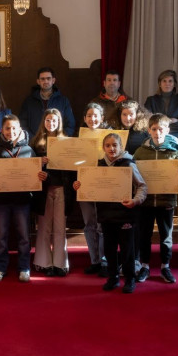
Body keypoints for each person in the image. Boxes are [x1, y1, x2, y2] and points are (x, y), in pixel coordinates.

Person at [73, 134, 147, 293]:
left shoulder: (128, 163)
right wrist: (79, 186)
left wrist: (135, 201)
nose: (111, 148)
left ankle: (129, 279)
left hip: (126, 214)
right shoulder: (98, 166)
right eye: (108, 145)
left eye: (114, 145)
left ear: (121, 146)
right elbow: (89, 187)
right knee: (109, 249)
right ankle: (113, 278)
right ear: (103, 148)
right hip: (106, 215)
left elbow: (142, 186)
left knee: (127, 250)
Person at [0, 114, 46, 282]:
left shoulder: (29, 151)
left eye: (14, 128)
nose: (11, 131)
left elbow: (34, 176)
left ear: (20, 130)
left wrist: (39, 175)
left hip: (22, 201)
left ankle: (24, 266)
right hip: (0, 202)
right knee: (1, 236)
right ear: (2, 130)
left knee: (24, 236)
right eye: (7, 128)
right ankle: (0, 267)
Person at [133, 114, 178, 284]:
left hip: (166, 201)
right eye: (154, 129)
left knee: (166, 236)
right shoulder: (140, 152)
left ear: (168, 130)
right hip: (146, 201)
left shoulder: (175, 150)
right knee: (144, 235)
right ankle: (145, 266)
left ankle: (165, 266)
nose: (157, 132)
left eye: (161, 129)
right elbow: (134, 175)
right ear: (149, 130)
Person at [30, 109, 75, 277]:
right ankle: (43, 262)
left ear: (59, 123)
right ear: (44, 122)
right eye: (48, 120)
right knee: (44, 227)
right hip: (43, 190)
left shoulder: (67, 142)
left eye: (54, 121)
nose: (51, 123)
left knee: (60, 227)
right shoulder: (36, 142)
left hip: (62, 189)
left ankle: (60, 264)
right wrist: (39, 163)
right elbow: (28, 167)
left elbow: (72, 170)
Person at [77, 103, 110, 275]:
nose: (93, 119)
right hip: (85, 183)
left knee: (102, 224)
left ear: (102, 118)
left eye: (96, 115)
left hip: (104, 184)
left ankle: (105, 261)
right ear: (84, 119)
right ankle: (95, 260)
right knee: (89, 224)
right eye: (89, 116)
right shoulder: (79, 138)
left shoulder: (111, 136)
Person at [19, 67, 76, 136]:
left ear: (53, 80)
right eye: (42, 79)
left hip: (58, 143)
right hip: (34, 144)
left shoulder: (63, 101)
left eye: (48, 78)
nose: (46, 81)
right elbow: (23, 124)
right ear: (38, 81)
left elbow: (70, 125)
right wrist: (33, 141)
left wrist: (60, 139)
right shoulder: (28, 102)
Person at [144, 70, 178, 147]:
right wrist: (171, 121)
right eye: (164, 81)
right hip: (156, 134)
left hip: (176, 134)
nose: (167, 84)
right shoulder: (151, 100)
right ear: (160, 84)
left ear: (174, 84)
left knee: (172, 145)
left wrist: (159, 125)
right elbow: (147, 122)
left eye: (170, 81)